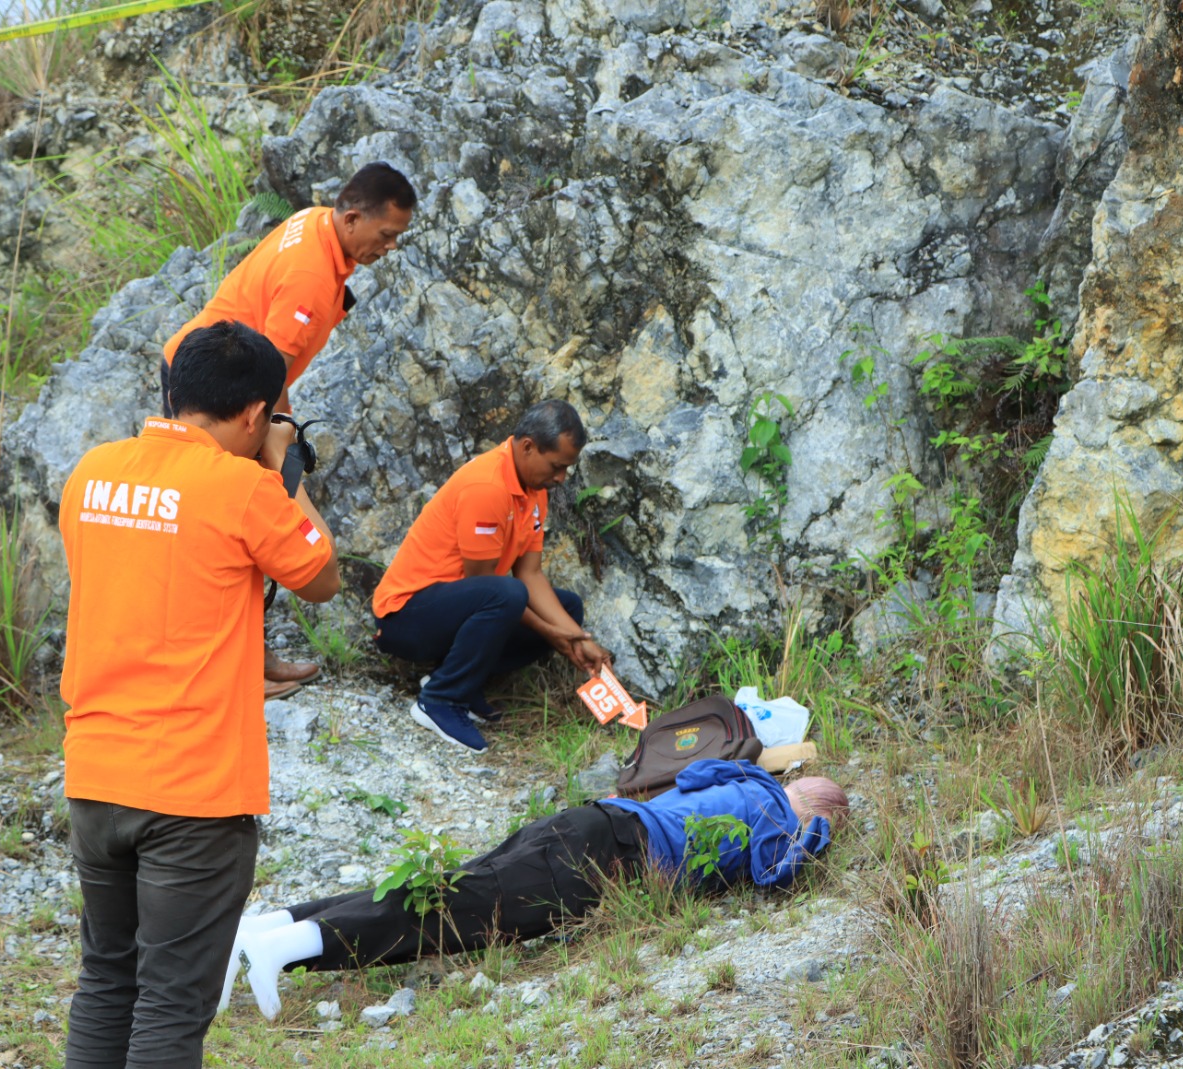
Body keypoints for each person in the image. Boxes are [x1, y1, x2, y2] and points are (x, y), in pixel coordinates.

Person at [57, 320, 341, 1068]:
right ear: (255, 414)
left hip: (96, 774)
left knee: (106, 979)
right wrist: (284, 468)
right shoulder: (242, 487)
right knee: (172, 1003)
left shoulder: (92, 473)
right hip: (192, 792)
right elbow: (321, 576)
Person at [219, 761, 851, 1020]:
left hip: (592, 821)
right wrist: (815, 835)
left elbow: (691, 773)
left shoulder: (746, 780)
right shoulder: (774, 818)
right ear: (811, 810)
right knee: (455, 914)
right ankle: (289, 945)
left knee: (444, 890)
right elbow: (777, 873)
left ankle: (271, 926)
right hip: (609, 858)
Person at [161, 162, 418, 701]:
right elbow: (268, 372)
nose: (391, 246)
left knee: (245, 524)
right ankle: (234, 668)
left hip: (219, 382)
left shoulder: (317, 222)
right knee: (229, 526)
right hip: (217, 397)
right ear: (352, 218)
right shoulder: (311, 276)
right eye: (387, 234)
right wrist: (278, 439)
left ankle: (253, 655)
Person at [371, 399, 611, 753]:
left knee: (568, 608)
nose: (561, 478)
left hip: (458, 605)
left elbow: (530, 573)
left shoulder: (534, 489)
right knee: (507, 595)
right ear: (527, 447)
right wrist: (551, 633)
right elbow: (485, 588)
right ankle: (440, 699)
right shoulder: (487, 487)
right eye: (557, 466)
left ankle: (453, 678)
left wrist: (576, 636)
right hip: (404, 617)